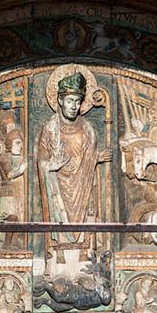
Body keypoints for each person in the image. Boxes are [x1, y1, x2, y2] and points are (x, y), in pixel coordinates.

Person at [37, 72, 111, 277]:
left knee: (85, 222)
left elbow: (88, 155)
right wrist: (51, 165)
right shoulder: (50, 129)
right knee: (59, 224)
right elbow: (41, 161)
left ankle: (84, 269)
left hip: (83, 187)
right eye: (70, 101)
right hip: (57, 189)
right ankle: (59, 270)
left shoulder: (87, 129)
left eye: (78, 102)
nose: (74, 106)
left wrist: (96, 158)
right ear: (60, 100)